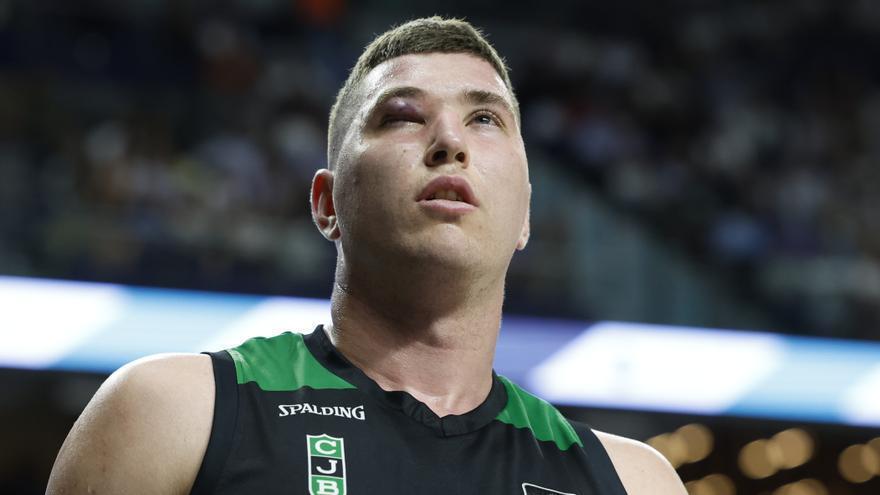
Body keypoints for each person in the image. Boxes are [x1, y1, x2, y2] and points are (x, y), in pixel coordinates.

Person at [47, 17, 686, 495]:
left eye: (485, 119)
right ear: (327, 204)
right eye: (404, 116)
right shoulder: (171, 412)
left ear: (526, 214)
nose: (449, 142)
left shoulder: (634, 483)